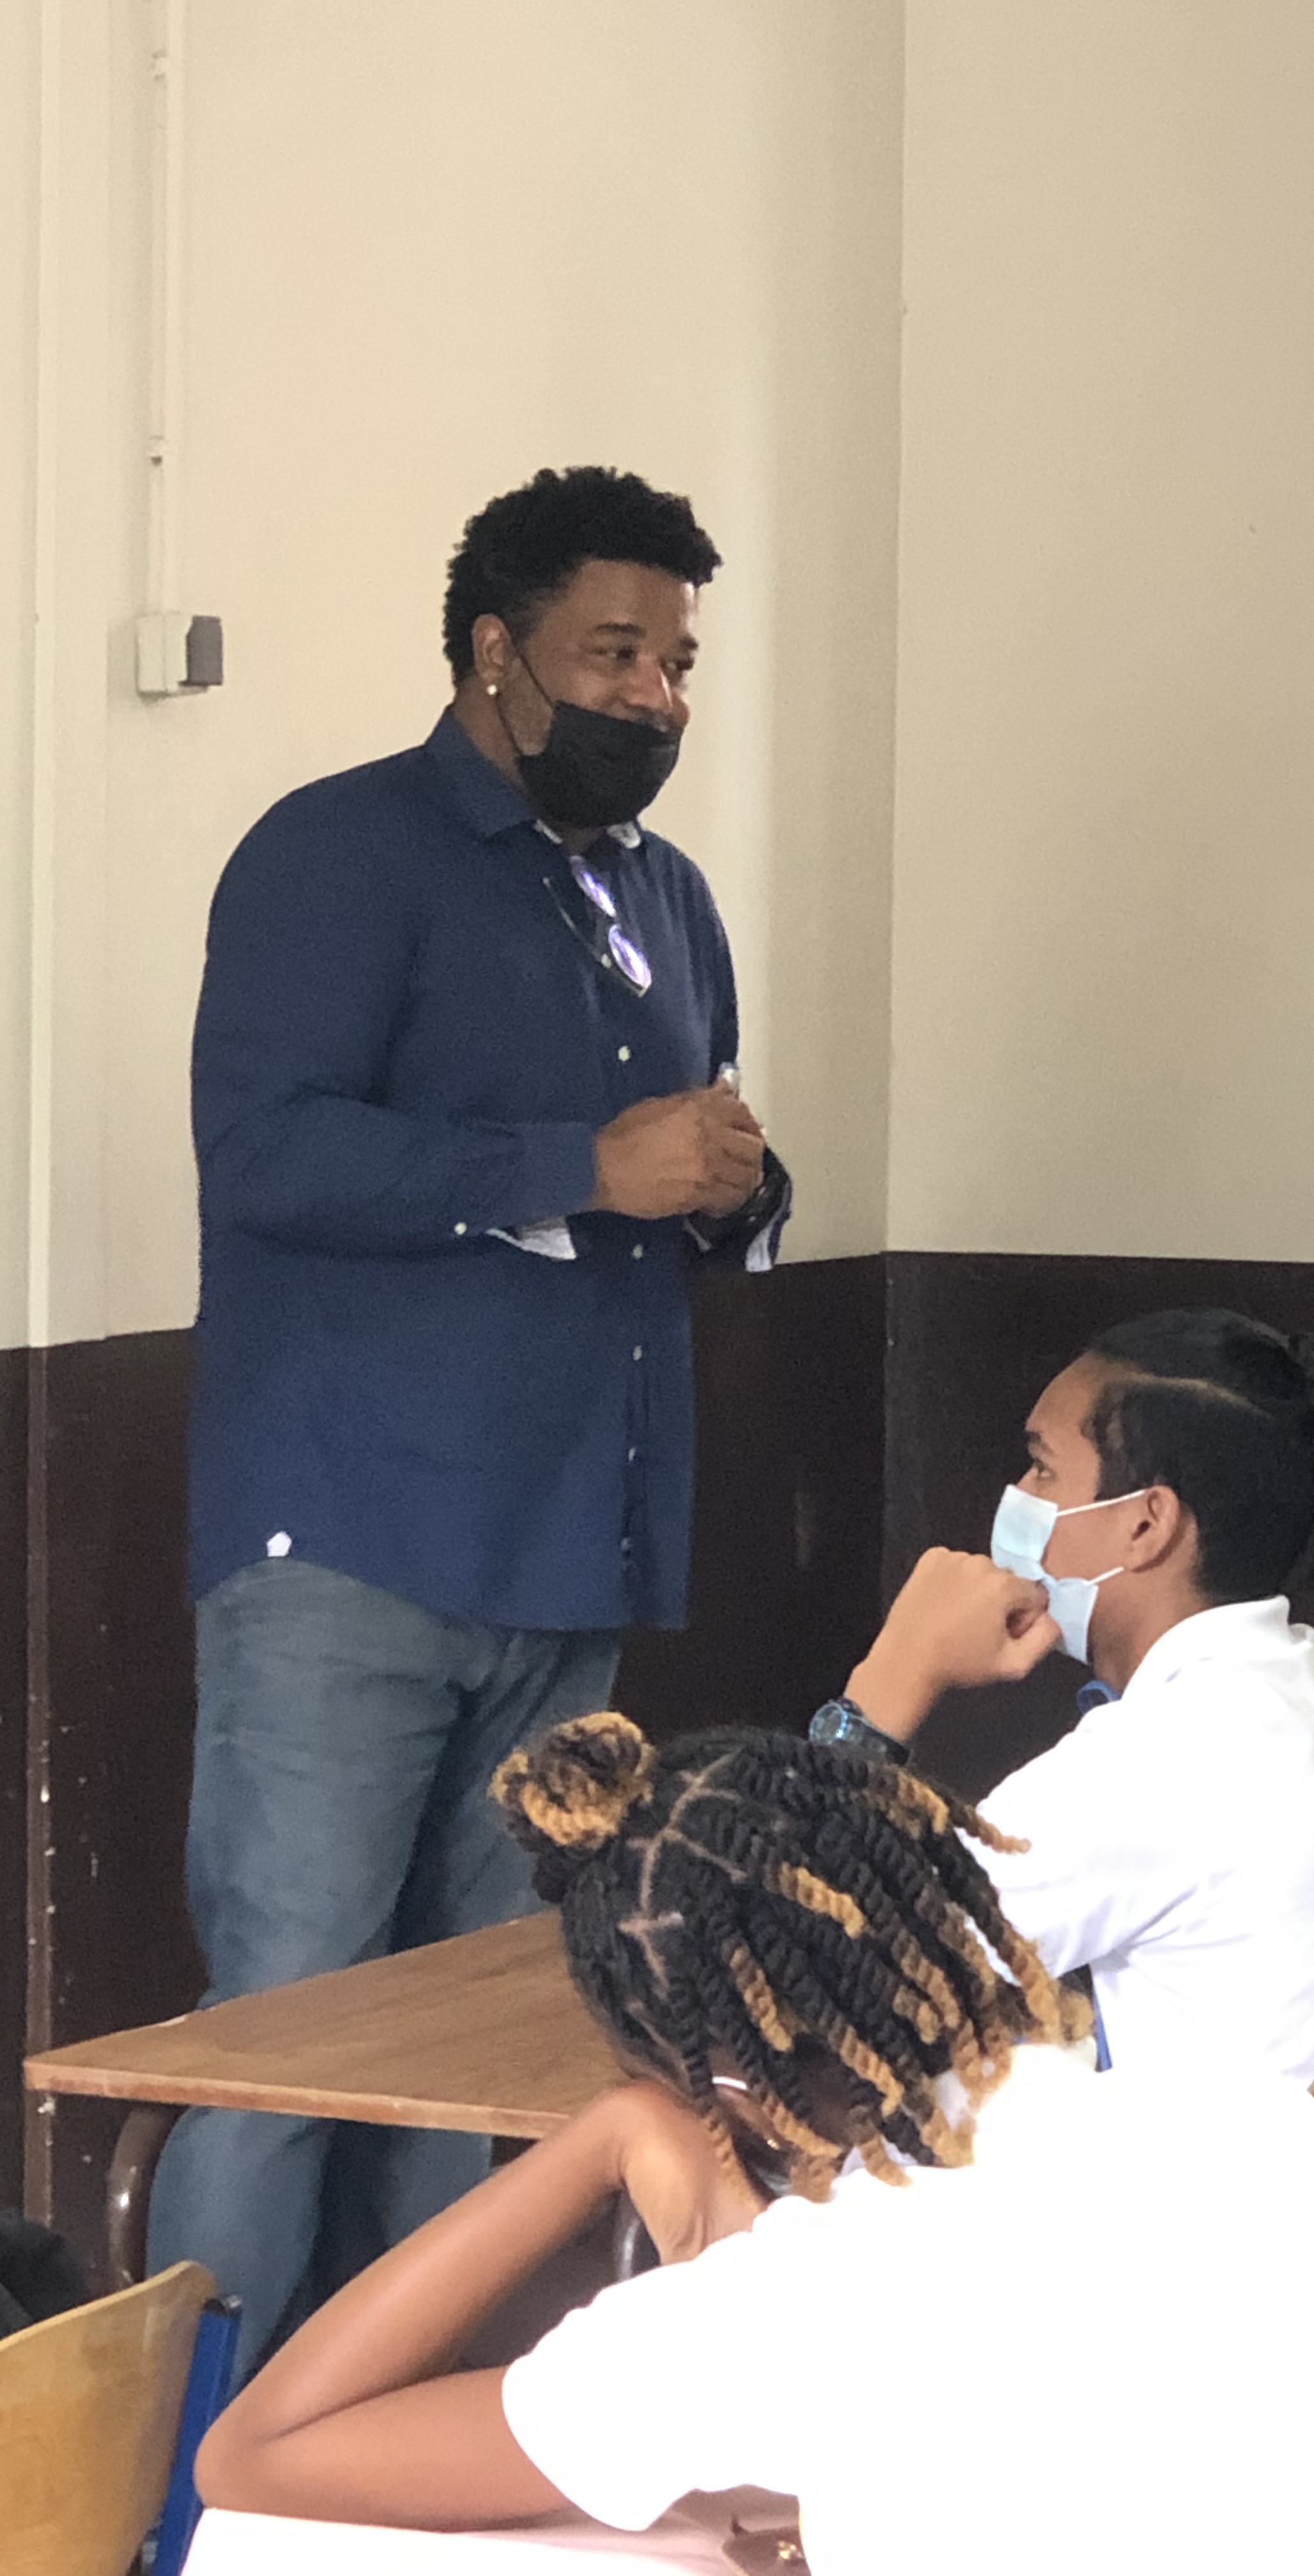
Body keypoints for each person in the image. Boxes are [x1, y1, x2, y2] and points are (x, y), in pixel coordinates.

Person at [151, 466, 780, 2373]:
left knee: (479, 2036)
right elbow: (267, 1153)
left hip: (567, 1549)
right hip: (349, 1548)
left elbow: (680, 1168)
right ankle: (188, 2478)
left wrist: (731, 1187)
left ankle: (397, 2448)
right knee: (287, 2034)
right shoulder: (336, 854)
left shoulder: (664, 896)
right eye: (616, 654)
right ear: (496, 654)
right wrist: (582, 1162)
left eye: (679, 664)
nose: (656, 698)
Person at [196, 1716, 1314, 2576]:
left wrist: (606, 2138)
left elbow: (257, 2455)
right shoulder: (1238, 2114)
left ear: (714, 2079)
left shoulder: (791, 2304)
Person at [815, 1308, 1314, 2082]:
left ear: (1146, 1525)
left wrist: (896, 1674)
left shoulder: (1164, 1758)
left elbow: (822, 1961)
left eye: (1042, 1469)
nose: (1017, 1495)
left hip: (1226, 2159)